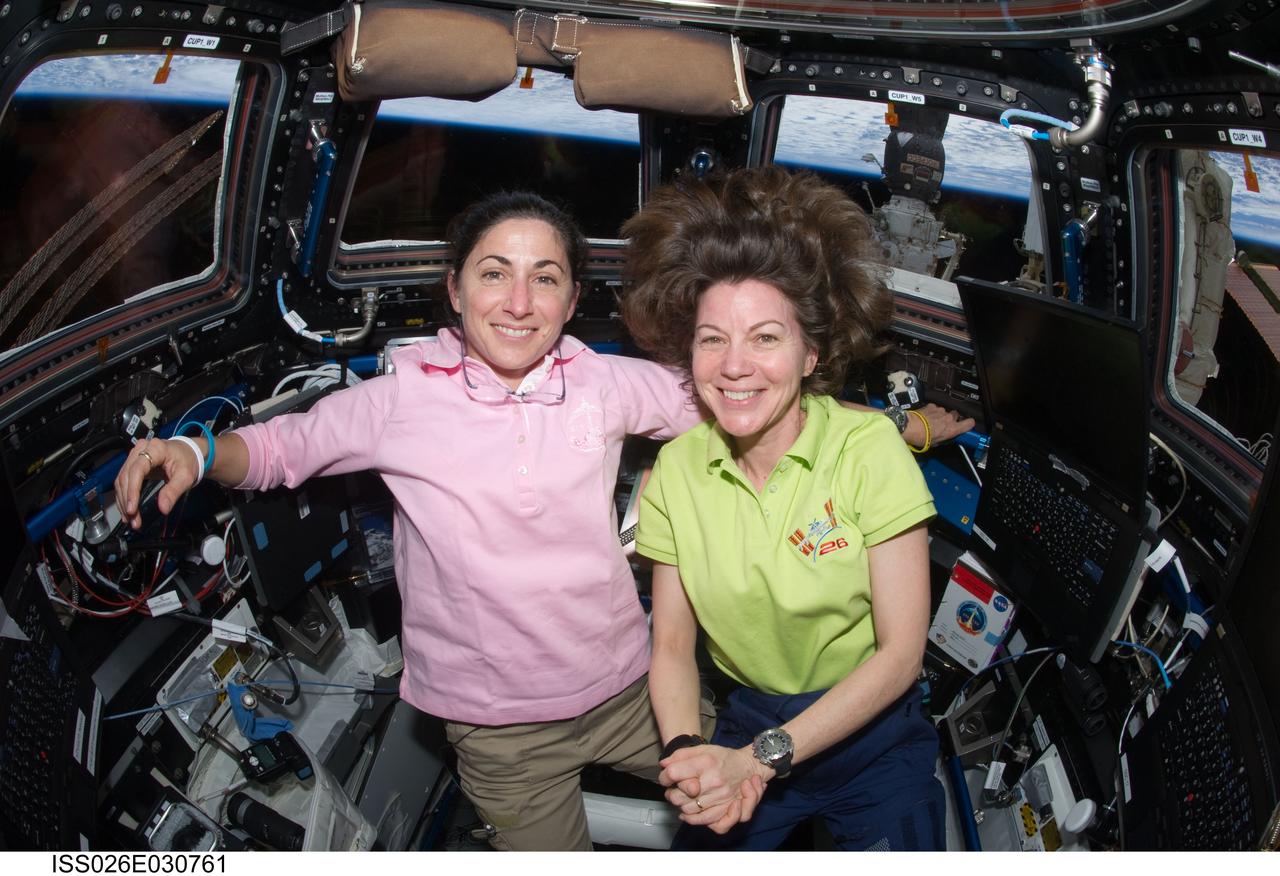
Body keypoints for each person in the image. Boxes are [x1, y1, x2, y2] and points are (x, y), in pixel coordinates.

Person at [114, 188, 962, 851]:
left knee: (747, 788)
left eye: (545, 277)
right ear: (454, 290)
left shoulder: (602, 383)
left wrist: (905, 429)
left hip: (629, 689)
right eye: (494, 273)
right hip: (499, 734)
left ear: (569, 299)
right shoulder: (397, 401)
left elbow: (750, 393)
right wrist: (194, 453)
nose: (519, 301)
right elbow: (282, 449)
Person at [621, 166, 947, 850]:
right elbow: (674, 645)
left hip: (873, 730)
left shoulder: (867, 451)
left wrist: (762, 759)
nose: (734, 365)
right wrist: (691, 757)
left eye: (765, 337)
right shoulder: (677, 472)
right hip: (749, 714)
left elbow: (899, 658)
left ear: (809, 356)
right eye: (713, 339)